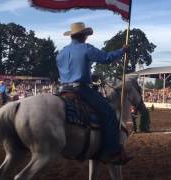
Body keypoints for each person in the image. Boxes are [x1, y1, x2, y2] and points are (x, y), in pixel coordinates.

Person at [56, 22, 131, 165]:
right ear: (84, 35)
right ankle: (112, 151)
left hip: (63, 89)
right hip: (80, 89)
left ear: (72, 36)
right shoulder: (86, 48)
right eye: (86, 35)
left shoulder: (61, 53)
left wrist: (89, 76)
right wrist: (123, 50)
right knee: (109, 113)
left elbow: (71, 70)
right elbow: (107, 58)